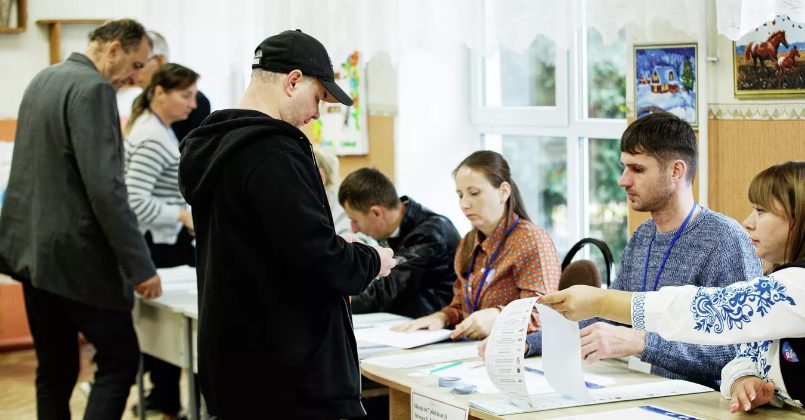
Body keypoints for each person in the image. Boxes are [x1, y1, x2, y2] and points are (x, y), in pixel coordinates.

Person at [178, 29, 397, 418]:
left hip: (238, 365)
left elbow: (277, 244)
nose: (316, 114)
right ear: (293, 81)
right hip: (289, 377)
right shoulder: (273, 152)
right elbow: (318, 258)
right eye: (318, 98)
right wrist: (371, 259)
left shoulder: (215, 146)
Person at [540, 161, 805, 414]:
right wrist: (742, 378)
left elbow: (707, 311)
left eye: (761, 211)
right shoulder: (779, 275)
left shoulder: (797, 285)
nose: (748, 221)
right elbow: (744, 354)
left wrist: (601, 302)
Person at [523, 112, 763, 388]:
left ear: (676, 171)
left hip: (711, 400)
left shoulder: (725, 240)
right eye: (624, 167)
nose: (623, 180)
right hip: (655, 393)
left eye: (637, 169)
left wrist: (642, 343)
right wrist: (529, 344)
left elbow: (742, 352)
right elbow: (605, 313)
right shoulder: (644, 236)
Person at [0, 19, 161, 418]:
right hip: (77, 260)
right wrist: (140, 267)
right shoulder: (94, 89)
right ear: (113, 50)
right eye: (136, 65)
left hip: (34, 256)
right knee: (120, 361)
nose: (136, 77)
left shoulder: (44, 78)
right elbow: (107, 190)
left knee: (54, 370)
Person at [393, 150, 561, 340]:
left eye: (474, 193)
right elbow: (462, 306)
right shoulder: (468, 242)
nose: (464, 204)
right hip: (472, 348)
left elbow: (543, 314)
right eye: (460, 195)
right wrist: (443, 317)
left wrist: (498, 317)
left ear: (503, 192)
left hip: (514, 352)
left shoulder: (531, 241)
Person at [124, 62, 198, 419]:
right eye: (185, 96)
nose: (193, 105)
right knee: (169, 328)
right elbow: (134, 201)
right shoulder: (151, 136)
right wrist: (181, 215)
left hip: (164, 241)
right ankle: (168, 401)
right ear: (159, 93)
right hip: (159, 245)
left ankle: (168, 400)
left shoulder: (157, 128)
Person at [339, 167, 461, 318]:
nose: (354, 229)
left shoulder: (431, 234)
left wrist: (334, 302)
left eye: (355, 220)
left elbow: (384, 293)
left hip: (438, 326)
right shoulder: (397, 230)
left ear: (377, 212)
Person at [135, 30, 211, 143]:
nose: (133, 72)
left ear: (160, 60)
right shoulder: (139, 101)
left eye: (140, 64)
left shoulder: (198, 103)